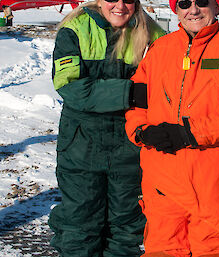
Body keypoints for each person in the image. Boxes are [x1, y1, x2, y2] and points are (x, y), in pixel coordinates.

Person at [125, 0, 219, 256]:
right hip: (162, 179)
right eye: (185, 3)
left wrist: (188, 132)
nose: (193, 9)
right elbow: (137, 101)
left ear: (216, 7)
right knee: (162, 249)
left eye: (202, 1)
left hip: (214, 181)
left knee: (216, 251)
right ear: (176, 9)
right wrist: (141, 130)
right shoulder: (159, 49)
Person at [48, 0, 165, 256]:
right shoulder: (75, 29)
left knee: (127, 226)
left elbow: (165, 86)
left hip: (130, 147)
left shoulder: (154, 36)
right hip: (81, 146)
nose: (120, 6)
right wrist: (131, 92)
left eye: (129, 0)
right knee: (79, 224)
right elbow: (71, 87)